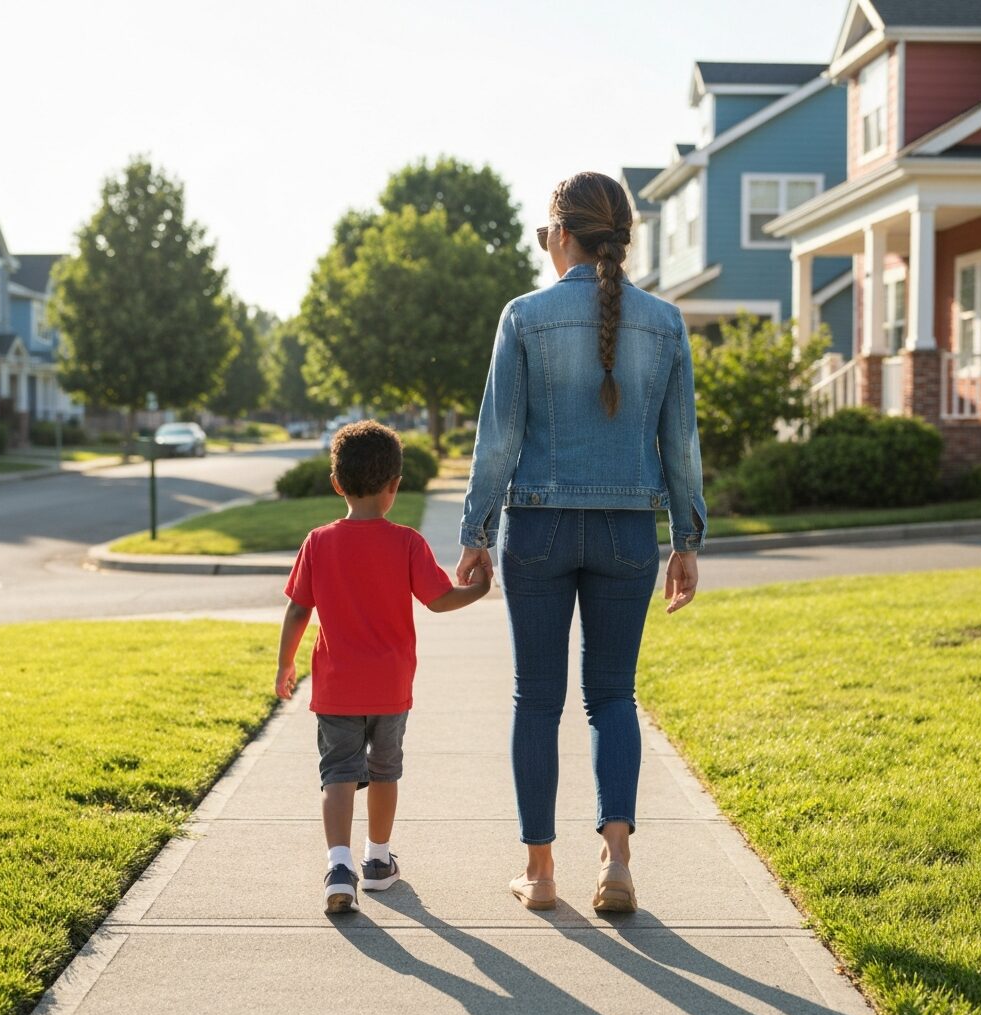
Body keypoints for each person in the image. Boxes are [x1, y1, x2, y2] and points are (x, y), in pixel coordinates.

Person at [457, 171, 707, 914]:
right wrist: (685, 539)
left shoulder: (524, 316)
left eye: (543, 233)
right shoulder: (665, 323)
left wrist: (474, 531)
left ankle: (538, 874)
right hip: (629, 531)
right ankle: (617, 863)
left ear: (562, 234)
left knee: (536, 699)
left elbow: (497, 437)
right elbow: (681, 446)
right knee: (612, 698)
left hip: (535, 526)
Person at [276, 420, 491, 914]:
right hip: (391, 686)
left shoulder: (318, 541)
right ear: (395, 485)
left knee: (338, 775)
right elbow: (439, 601)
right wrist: (478, 588)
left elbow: (297, 610)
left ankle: (339, 867)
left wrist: (285, 665)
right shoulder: (407, 543)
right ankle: (377, 861)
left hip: (336, 687)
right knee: (385, 769)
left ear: (336, 484)